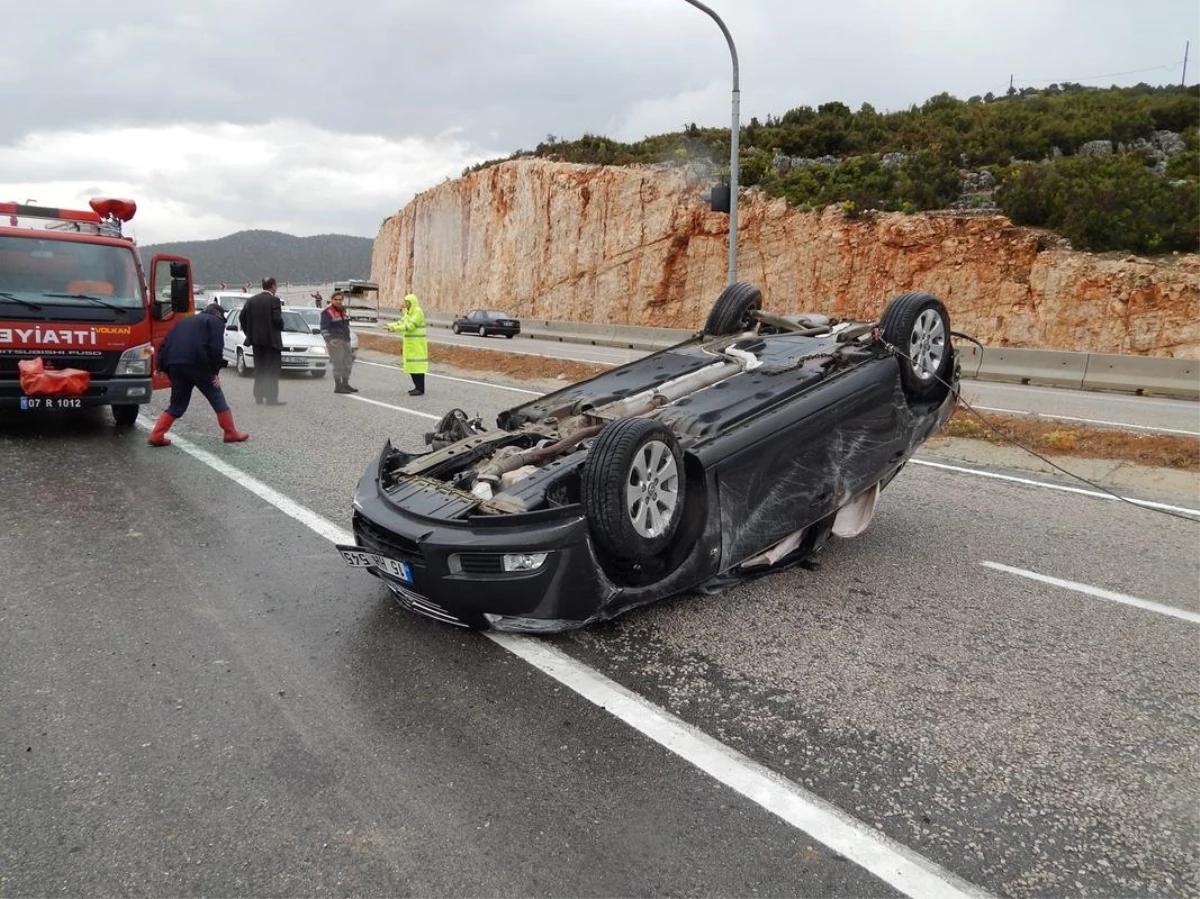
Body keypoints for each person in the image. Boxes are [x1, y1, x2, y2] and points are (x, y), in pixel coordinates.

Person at [147, 303, 249, 446]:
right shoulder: (215, 322)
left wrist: (160, 366)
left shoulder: (183, 322)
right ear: (219, 315)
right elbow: (216, 347)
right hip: (198, 364)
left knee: (177, 404)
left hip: (174, 365)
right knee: (216, 396)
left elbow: (164, 343)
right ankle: (230, 432)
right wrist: (215, 371)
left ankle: (156, 434)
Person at [238, 276, 286, 405]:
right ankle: (271, 398)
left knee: (260, 369)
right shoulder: (274, 300)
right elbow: (277, 320)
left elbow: (242, 317)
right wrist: (281, 325)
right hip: (272, 342)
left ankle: (258, 395)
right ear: (273, 286)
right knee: (272, 370)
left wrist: (249, 333)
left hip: (257, 342)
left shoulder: (252, 300)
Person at [386, 293, 428, 395]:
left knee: (418, 367)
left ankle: (420, 389)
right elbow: (402, 322)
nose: (405, 304)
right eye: (405, 302)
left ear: (412, 303)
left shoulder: (418, 312)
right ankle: (416, 387)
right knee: (412, 367)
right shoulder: (409, 313)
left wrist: (394, 329)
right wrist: (389, 325)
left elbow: (410, 326)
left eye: (407, 302)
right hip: (411, 345)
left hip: (417, 345)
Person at [320, 290, 358, 394]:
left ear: (342, 300)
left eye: (340, 299)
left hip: (346, 340)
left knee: (348, 364)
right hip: (335, 341)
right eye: (335, 299)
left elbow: (346, 325)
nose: (338, 301)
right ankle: (338, 386)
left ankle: (345, 384)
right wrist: (328, 340)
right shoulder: (327, 312)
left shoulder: (343, 311)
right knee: (338, 365)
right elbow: (324, 328)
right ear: (331, 300)